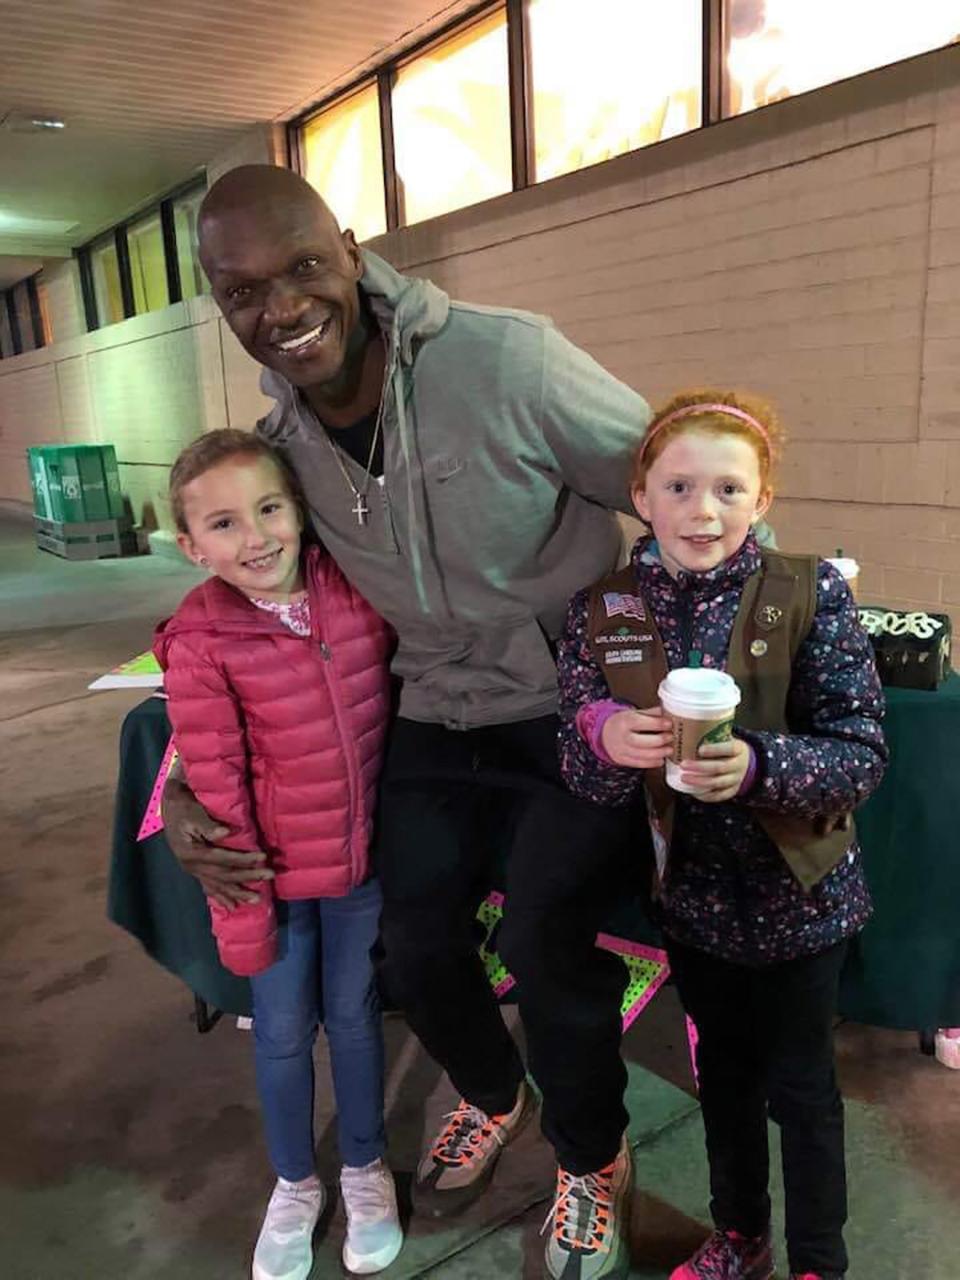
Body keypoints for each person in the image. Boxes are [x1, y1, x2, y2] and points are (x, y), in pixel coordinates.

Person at [162, 161, 665, 1280]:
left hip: (566, 698)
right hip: (435, 705)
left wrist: (687, 660)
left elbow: (671, 486)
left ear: (349, 248)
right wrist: (182, 782)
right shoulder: (280, 443)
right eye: (242, 290)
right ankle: (496, 1090)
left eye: (301, 266)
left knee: (543, 935)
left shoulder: (506, 358)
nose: (280, 306)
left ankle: (594, 1150)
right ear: (220, 304)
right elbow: (230, 619)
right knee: (413, 936)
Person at [557, 391, 887, 1280]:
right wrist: (603, 737)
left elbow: (860, 753)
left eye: (730, 490)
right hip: (694, 904)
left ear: (764, 499)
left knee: (805, 1092)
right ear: (642, 493)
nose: (704, 511)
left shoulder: (809, 592)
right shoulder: (605, 609)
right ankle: (741, 1236)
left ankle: (819, 1259)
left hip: (803, 903)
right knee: (726, 1088)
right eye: (680, 486)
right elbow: (579, 769)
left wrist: (757, 767)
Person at [153, 428, 402, 1280]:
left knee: (357, 1018)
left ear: (301, 509)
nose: (255, 538)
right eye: (223, 525)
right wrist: (247, 923)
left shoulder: (358, 588)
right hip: (273, 882)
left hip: (358, 866)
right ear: (190, 546)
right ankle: (296, 1181)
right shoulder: (201, 640)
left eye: (268, 509)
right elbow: (215, 783)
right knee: (285, 1033)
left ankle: (365, 1167)